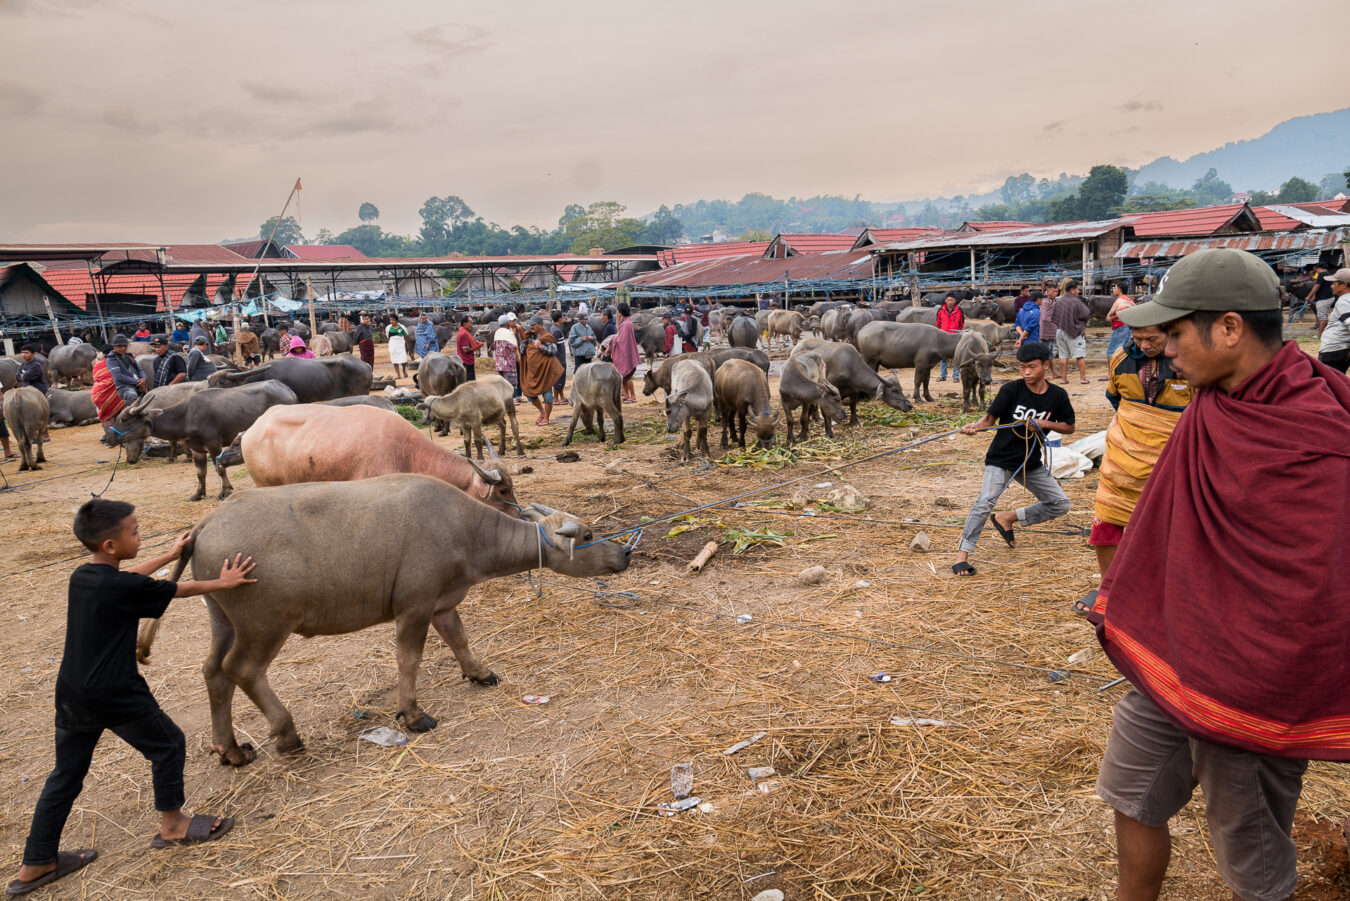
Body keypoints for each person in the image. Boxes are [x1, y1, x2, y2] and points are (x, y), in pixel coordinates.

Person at [1085, 247, 1350, 901]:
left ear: (1229, 329)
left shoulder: (1318, 434)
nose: (1165, 347)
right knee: (1132, 792)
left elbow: (1318, 590)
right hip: (1174, 656)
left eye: (1177, 331)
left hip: (1255, 688)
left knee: (1250, 850)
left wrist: (1245, 666)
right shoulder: (1213, 403)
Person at [7, 499, 254, 896]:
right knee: (168, 743)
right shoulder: (123, 585)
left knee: (65, 776)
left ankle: (36, 863)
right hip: (115, 692)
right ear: (109, 545)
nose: (140, 536)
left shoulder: (83, 576)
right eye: (135, 532)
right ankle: (173, 826)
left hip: (72, 692)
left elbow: (131, 577)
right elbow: (180, 589)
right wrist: (223, 584)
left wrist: (170, 554)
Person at [1073, 323, 1192, 614]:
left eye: (1152, 338)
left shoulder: (1189, 360)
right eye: (1138, 338)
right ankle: (1108, 587)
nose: (1145, 344)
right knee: (1105, 522)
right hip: (1122, 454)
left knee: (1173, 530)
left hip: (1173, 456)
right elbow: (1115, 398)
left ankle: (1167, 591)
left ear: (1170, 334)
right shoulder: (1120, 357)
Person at [949, 341, 1075, 577]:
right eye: (1022, 367)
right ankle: (962, 556)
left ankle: (1007, 518)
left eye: (1032, 367)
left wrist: (1045, 423)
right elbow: (989, 421)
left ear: (1046, 366)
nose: (1026, 372)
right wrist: (975, 427)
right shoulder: (1011, 390)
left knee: (1060, 504)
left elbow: (1069, 427)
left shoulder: (1058, 396)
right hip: (1001, 458)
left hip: (1030, 462)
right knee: (985, 502)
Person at [521, 316, 565, 425]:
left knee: (548, 396)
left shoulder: (547, 337)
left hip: (544, 372)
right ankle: (541, 411)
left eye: (534, 325)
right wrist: (524, 344)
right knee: (530, 394)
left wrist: (541, 346)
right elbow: (522, 351)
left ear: (540, 325)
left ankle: (546, 418)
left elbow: (553, 351)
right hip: (532, 372)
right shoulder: (528, 337)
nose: (531, 327)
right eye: (530, 325)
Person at [1051, 279, 1090, 384]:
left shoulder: (1059, 300)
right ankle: (1083, 378)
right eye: (1077, 289)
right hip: (1074, 331)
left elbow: (1055, 315)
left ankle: (1063, 379)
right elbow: (1085, 314)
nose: (1078, 291)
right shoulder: (1076, 301)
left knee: (1063, 356)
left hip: (1060, 331)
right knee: (1079, 355)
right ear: (1072, 290)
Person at [1314, 267, 1350, 373]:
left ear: (1343, 285)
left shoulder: (1344, 301)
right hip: (1341, 348)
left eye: (1334, 283)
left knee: (1327, 384)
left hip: (1334, 349)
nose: (1331, 286)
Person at [104, 335, 146, 407]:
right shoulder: (111, 358)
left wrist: (144, 378)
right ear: (114, 346)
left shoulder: (128, 355)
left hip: (138, 384)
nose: (123, 348)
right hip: (125, 387)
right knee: (132, 396)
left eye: (125, 346)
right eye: (120, 346)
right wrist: (137, 382)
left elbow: (139, 369)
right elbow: (118, 377)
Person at [612, 303, 641, 403]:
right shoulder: (625, 322)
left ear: (620, 312)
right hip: (624, 351)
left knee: (627, 375)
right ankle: (626, 395)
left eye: (617, 310)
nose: (617, 312)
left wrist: (613, 340)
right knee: (623, 376)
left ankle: (633, 396)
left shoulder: (626, 324)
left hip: (625, 352)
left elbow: (622, 340)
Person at [935, 293, 965, 380]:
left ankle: (955, 376)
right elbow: (938, 323)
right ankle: (943, 376)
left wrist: (956, 332)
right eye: (948, 300)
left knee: (956, 357)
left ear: (955, 301)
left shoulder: (959, 311)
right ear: (945, 301)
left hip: (955, 337)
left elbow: (961, 325)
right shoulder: (940, 310)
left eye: (952, 300)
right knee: (943, 357)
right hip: (943, 337)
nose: (950, 302)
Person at [491, 315, 520, 397]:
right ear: (507, 323)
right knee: (509, 385)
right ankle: (511, 401)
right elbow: (513, 348)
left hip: (499, 364)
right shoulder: (507, 333)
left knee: (502, 385)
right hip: (508, 364)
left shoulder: (497, 332)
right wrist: (518, 358)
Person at [1105, 283, 1135, 358]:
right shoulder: (1131, 302)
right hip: (1129, 328)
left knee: (1111, 351)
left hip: (1120, 327)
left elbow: (1109, 317)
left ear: (1119, 290)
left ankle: (1111, 370)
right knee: (1124, 351)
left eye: (1115, 288)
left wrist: (1111, 318)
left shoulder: (1119, 301)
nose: (1114, 290)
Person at [1306, 263, 1335, 337]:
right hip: (1329, 297)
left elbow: (1316, 287)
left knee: (1322, 317)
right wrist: (1312, 299)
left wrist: (1308, 296)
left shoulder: (1321, 274)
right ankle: (1325, 333)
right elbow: (1322, 288)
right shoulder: (1329, 274)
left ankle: (1319, 335)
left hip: (1324, 299)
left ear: (1318, 268)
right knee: (1323, 316)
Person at [547, 310, 569, 404]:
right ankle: (556, 399)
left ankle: (561, 396)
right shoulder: (556, 330)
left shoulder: (555, 328)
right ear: (560, 319)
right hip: (558, 358)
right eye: (562, 318)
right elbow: (553, 346)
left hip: (560, 357)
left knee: (561, 378)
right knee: (558, 378)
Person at [454, 315, 481, 381]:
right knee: (470, 383)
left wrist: (474, 342)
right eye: (470, 323)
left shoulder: (461, 331)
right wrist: (477, 346)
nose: (472, 325)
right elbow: (465, 350)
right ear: (464, 323)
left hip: (462, 360)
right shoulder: (464, 334)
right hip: (467, 362)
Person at [386, 315, 409, 379]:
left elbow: (405, 336)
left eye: (393, 320)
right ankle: (398, 375)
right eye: (390, 320)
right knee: (394, 360)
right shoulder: (388, 328)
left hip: (400, 345)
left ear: (396, 320)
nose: (391, 321)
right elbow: (388, 337)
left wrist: (401, 342)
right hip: (392, 345)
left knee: (403, 360)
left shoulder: (401, 327)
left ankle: (404, 370)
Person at [1039, 282, 1059, 349]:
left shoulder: (1054, 301)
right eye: (1053, 292)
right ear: (1048, 291)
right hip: (1044, 330)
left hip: (1052, 330)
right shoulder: (1044, 302)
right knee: (1043, 352)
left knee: (1050, 353)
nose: (1055, 293)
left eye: (1056, 292)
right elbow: (1045, 317)